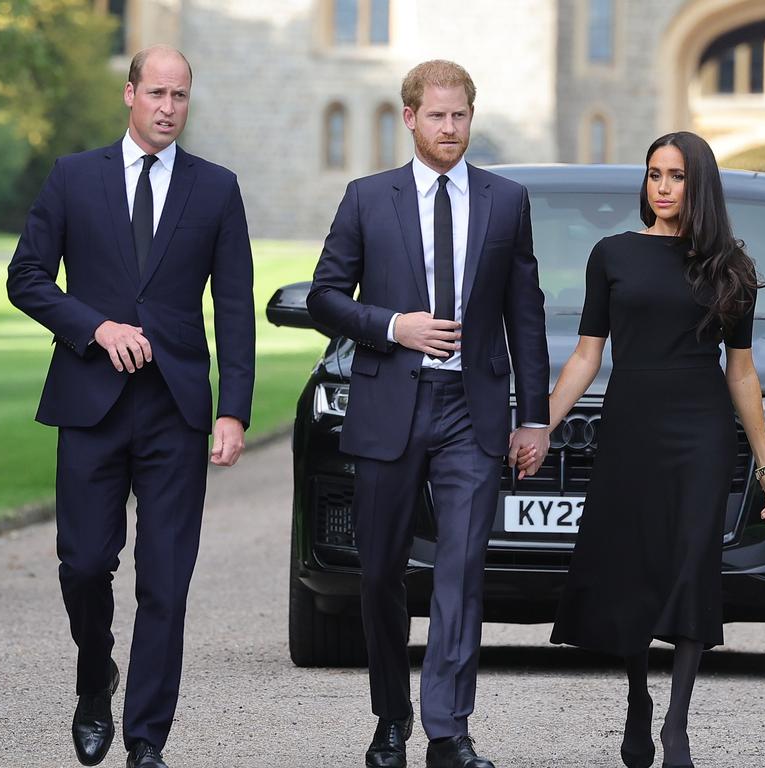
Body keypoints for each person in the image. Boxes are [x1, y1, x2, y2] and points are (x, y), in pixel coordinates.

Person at [6, 45, 254, 768]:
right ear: (130, 94)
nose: (169, 108)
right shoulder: (73, 178)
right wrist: (94, 327)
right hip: (91, 403)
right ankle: (94, 673)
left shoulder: (216, 189)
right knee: (84, 564)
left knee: (167, 581)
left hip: (176, 410)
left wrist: (232, 410)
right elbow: (26, 277)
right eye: (157, 93)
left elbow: (233, 308)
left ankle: (146, 739)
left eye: (180, 96)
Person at [307, 60, 549, 768]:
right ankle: (391, 718)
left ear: (472, 117)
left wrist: (531, 416)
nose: (450, 128)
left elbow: (525, 316)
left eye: (461, 115)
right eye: (437, 115)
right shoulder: (365, 199)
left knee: (461, 572)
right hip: (389, 405)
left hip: (471, 413)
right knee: (379, 572)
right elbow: (325, 296)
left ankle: (449, 732)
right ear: (408, 118)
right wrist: (392, 326)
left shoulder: (506, 201)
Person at [534, 131, 765, 768]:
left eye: (675, 177)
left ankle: (677, 723)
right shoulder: (612, 254)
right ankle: (639, 697)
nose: (662, 188)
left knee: (693, 561)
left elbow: (742, 372)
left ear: (699, 186)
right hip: (631, 424)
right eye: (653, 175)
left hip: (700, 430)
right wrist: (544, 424)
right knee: (637, 564)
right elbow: (588, 354)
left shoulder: (732, 268)